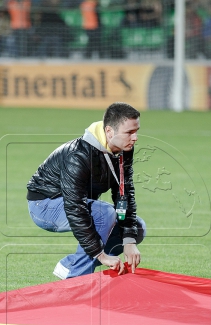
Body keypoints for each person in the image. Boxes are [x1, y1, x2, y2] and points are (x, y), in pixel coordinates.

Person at [26, 102, 146, 280]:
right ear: (109, 132)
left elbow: (124, 192)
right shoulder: (78, 156)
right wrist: (100, 255)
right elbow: (75, 208)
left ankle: (72, 265)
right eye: (129, 132)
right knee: (104, 213)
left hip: (75, 203)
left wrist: (128, 240)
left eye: (136, 131)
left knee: (137, 228)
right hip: (44, 204)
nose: (135, 137)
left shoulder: (123, 149)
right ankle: (76, 279)